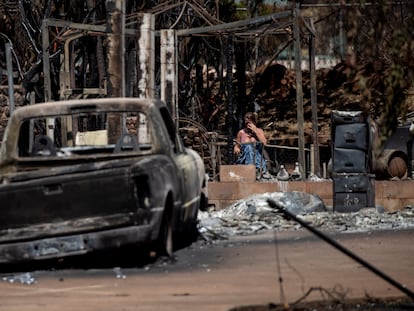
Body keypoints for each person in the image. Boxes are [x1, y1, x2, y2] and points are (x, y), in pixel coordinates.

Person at [233, 112, 272, 180]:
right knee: (248, 147)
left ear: (254, 122)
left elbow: (265, 143)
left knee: (252, 148)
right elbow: (237, 145)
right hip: (245, 158)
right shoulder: (241, 132)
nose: (248, 125)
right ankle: (251, 170)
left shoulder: (259, 131)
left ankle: (258, 170)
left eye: (250, 122)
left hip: (258, 158)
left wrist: (255, 131)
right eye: (246, 122)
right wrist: (236, 148)